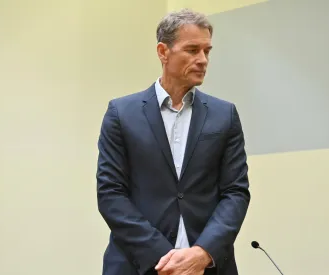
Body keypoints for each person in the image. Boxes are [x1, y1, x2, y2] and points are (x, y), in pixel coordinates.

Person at [96, 8, 250, 275]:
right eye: (192, 50)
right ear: (163, 52)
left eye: (207, 51)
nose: (203, 59)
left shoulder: (225, 115)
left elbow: (235, 193)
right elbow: (111, 194)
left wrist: (202, 253)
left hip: (208, 267)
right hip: (138, 265)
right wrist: (166, 259)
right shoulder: (121, 114)